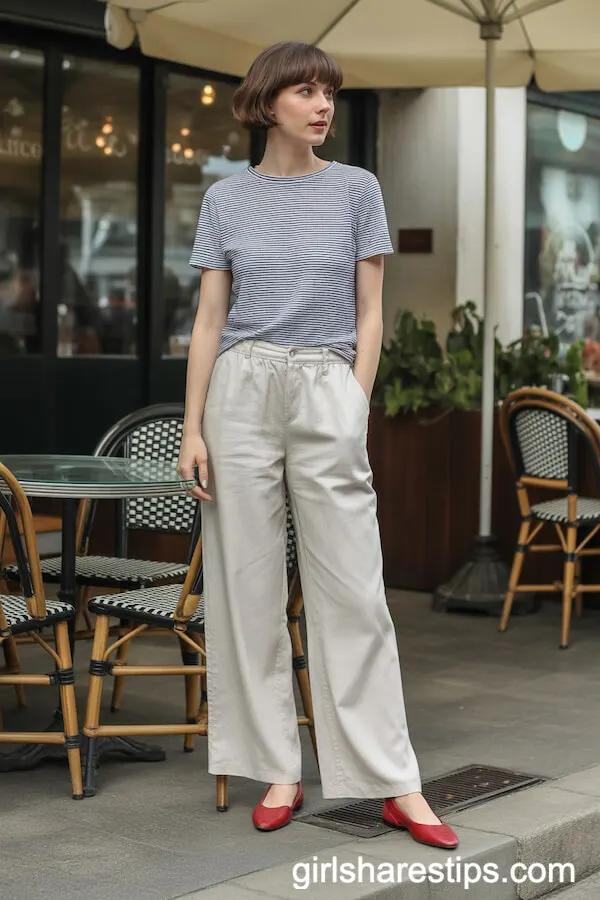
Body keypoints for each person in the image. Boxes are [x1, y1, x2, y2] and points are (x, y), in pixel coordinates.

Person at [177, 40, 458, 849]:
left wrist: (354, 401)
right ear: (267, 104)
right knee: (248, 588)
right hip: (241, 391)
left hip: (326, 385)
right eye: (305, 91)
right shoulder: (227, 201)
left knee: (356, 593)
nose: (323, 105)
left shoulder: (357, 190)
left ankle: (394, 781)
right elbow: (208, 321)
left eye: (328, 92)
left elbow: (371, 310)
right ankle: (279, 766)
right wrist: (193, 428)